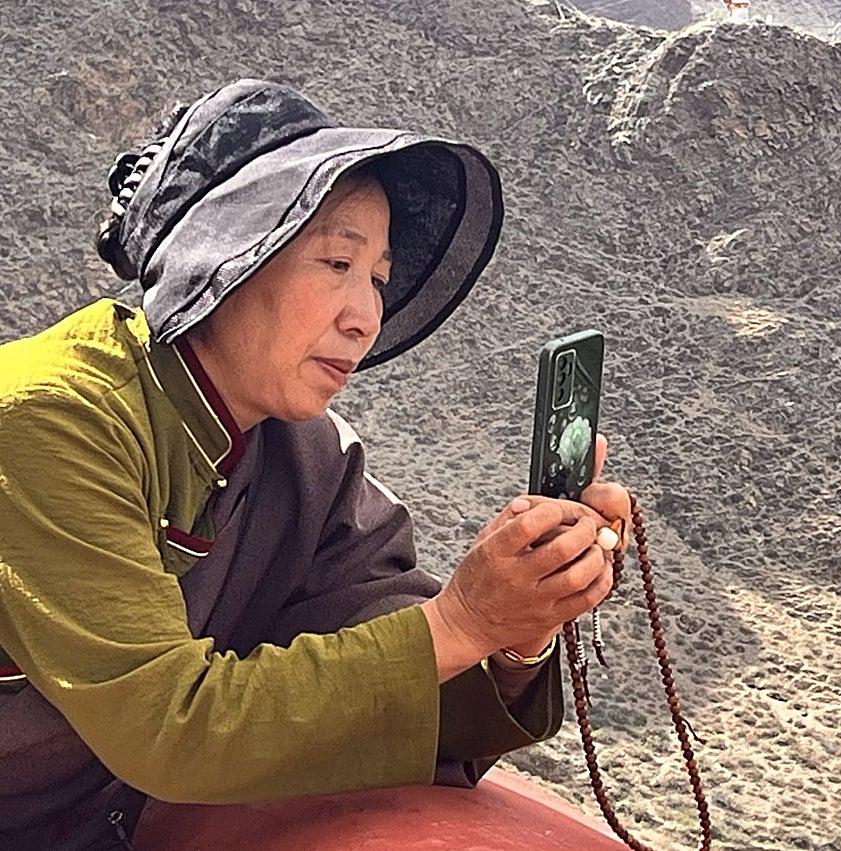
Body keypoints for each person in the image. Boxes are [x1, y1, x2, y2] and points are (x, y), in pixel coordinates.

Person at [0, 78, 629, 850]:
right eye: (337, 262)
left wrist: (519, 622)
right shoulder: (47, 416)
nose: (364, 317)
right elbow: (169, 727)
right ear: (227, 258)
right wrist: (462, 619)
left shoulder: (307, 459)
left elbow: (403, 694)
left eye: (378, 280)